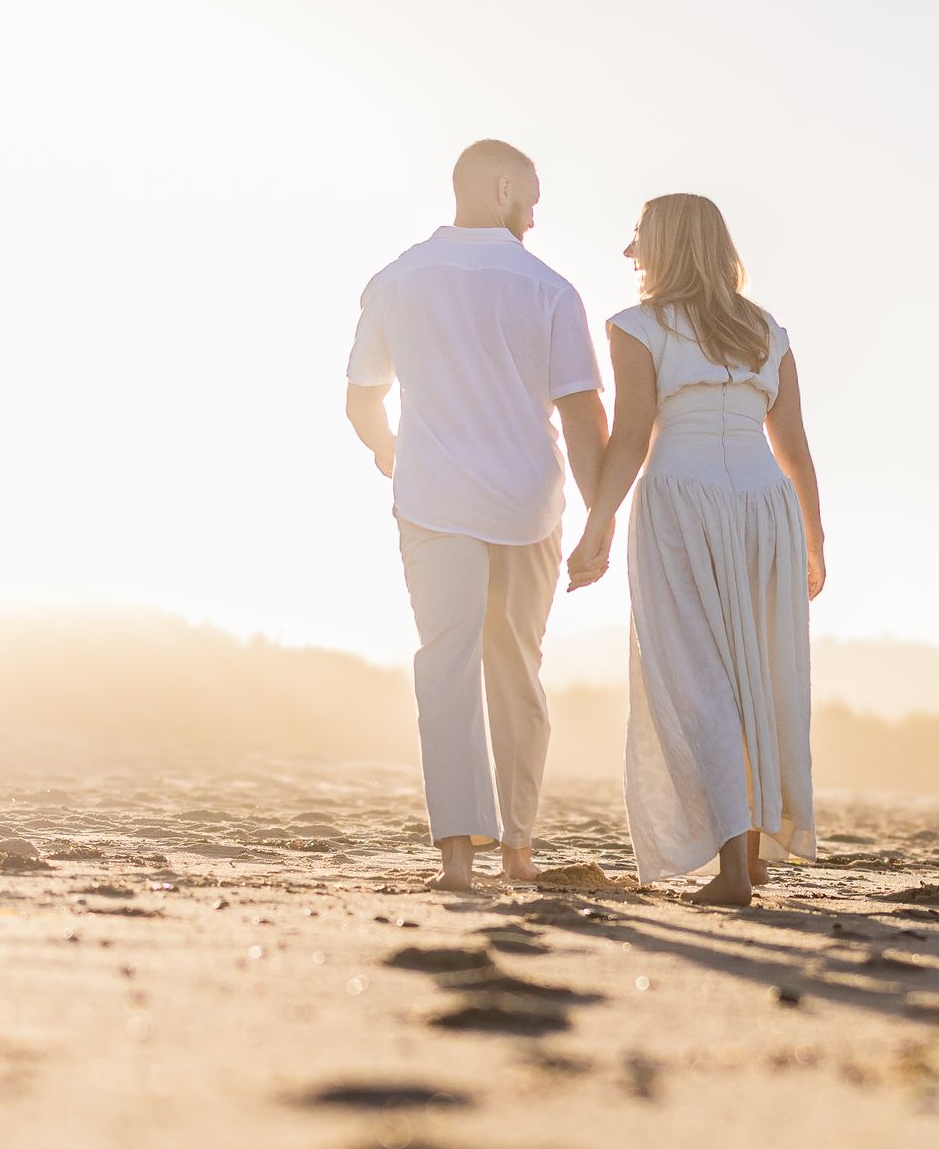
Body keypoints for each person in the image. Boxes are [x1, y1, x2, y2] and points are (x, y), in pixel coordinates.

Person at [347, 141, 607, 890]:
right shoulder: (549, 288)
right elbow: (583, 415)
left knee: (446, 667)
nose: (534, 215)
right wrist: (599, 521)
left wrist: (390, 452)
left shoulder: (397, 279)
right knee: (518, 670)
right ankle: (519, 850)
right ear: (502, 189)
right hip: (529, 506)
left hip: (434, 502)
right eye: (531, 198)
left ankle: (458, 860)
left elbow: (361, 399)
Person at [566, 192, 823, 907]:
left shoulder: (637, 326)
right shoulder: (767, 330)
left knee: (697, 680)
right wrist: (814, 536)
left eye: (638, 237)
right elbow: (793, 445)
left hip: (681, 497)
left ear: (669, 245)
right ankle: (752, 854)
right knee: (757, 676)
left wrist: (597, 525)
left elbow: (631, 435)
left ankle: (732, 872)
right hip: (765, 504)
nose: (629, 253)